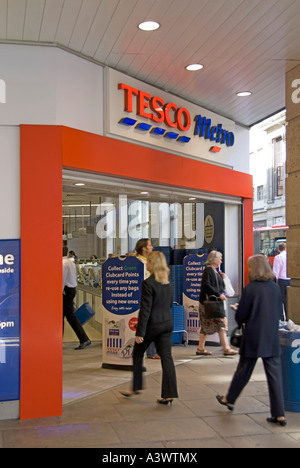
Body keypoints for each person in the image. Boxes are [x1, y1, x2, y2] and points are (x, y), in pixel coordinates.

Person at [216, 254, 286, 427]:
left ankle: (230, 399)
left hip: (254, 336)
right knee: (274, 376)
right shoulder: (275, 288)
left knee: (244, 370)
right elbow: (278, 312)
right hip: (271, 336)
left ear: (253, 269)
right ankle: (279, 414)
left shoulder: (250, 289)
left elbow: (241, 316)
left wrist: (238, 310)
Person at [121, 251, 178, 405]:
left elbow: (145, 309)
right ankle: (169, 394)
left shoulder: (148, 283)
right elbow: (169, 303)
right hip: (167, 323)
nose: (146, 264)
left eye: (148, 262)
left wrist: (140, 332)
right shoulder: (168, 283)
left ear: (152, 264)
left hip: (153, 325)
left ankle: (136, 387)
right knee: (167, 358)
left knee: (138, 353)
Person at [197, 250, 238, 356]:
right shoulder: (209, 271)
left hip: (210, 304)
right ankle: (226, 348)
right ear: (214, 259)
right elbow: (207, 285)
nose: (221, 261)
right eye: (220, 258)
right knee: (221, 324)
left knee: (206, 326)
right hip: (210, 303)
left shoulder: (215, 272)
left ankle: (201, 348)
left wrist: (223, 278)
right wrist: (218, 295)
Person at [135, 239, 160, 359]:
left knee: (151, 322)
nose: (152, 247)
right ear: (144, 248)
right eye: (150, 245)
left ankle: (151, 351)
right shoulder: (139, 262)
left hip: (151, 294)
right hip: (144, 296)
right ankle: (149, 351)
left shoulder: (148, 261)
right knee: (147, 322)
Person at [63, 246, 91, 350]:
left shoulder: (63, 263)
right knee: (65, 316)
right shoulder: (70, 262)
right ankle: (83, 339)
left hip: (66, 291)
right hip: (70, 290)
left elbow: (62, 279)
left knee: (70, 316)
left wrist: (59, 291)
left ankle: (84, 339)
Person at [273, 243, 290, 320]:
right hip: (290, 280)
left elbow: (276, 271)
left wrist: (274, 283)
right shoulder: (289, 256)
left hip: (281, 280)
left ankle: (281, 318)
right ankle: (289, 318)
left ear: (278, 249)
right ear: (286, 248)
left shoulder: (278, 257)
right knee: (288, 300)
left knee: (280, 300)